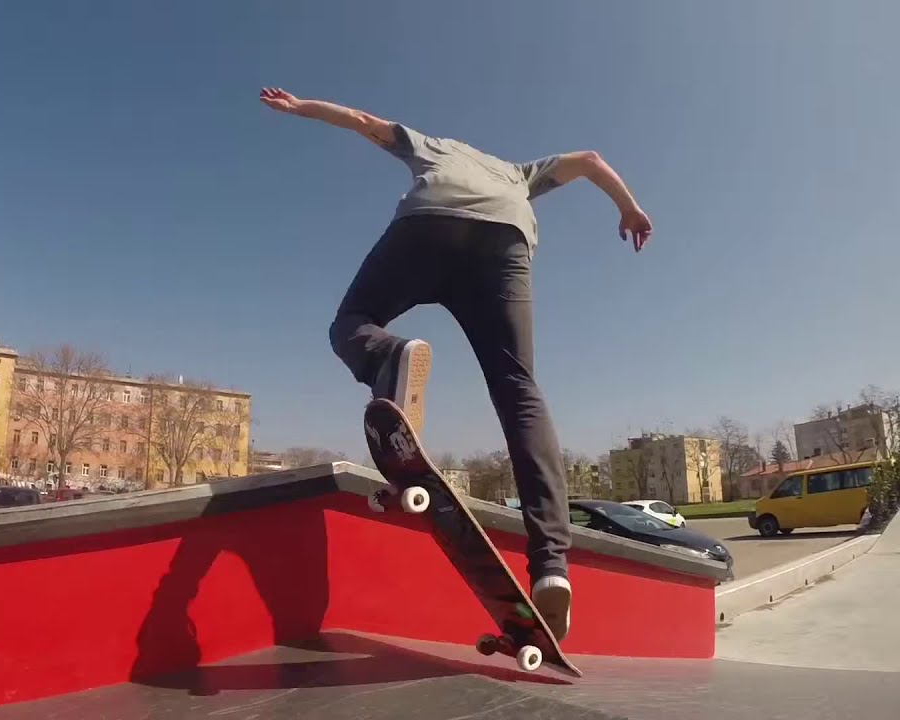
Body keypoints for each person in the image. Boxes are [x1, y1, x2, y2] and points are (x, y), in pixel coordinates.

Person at [260, 87, 652, 641]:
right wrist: (628, 208)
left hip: (430, 223)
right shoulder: (520, 174)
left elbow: (363, 121)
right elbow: (590, 161)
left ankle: (387, 355)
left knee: (353, 318)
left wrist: (301, 107)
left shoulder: (433, 146)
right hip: (504, 243)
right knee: (520, 390)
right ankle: (551, 569)